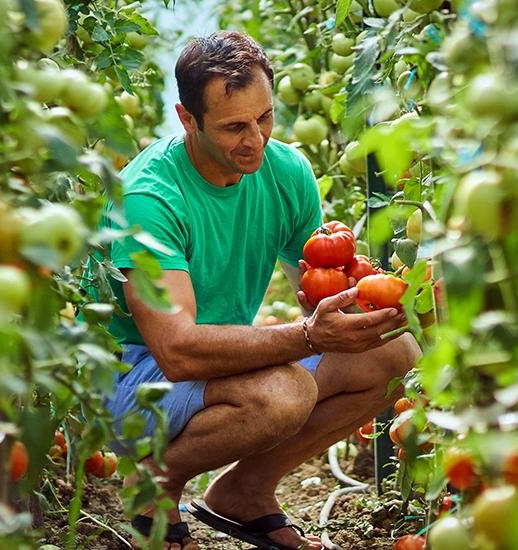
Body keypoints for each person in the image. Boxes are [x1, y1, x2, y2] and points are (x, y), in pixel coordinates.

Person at [96, 31, 420, 550]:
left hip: (210, 360)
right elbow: (176, 351)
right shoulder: (148, 200)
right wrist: (311, 338)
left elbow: (316, 295)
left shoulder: (286, 172)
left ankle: (246, 491)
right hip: (131, 376)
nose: (255, 140)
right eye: (233, 127)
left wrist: (398, 303)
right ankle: (155, 484)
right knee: (283, 393)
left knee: (393, 355)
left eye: (264, 118)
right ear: (187, 120)